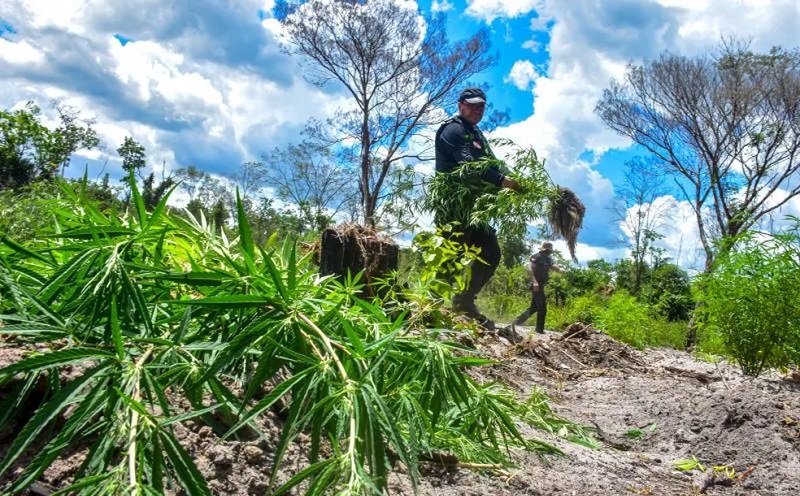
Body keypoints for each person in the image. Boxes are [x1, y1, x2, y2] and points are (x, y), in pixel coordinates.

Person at [434, 87, 520, 329]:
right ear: (461, 105)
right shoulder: (452, 129)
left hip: (475, 209)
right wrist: (502, 182)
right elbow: (468, 164)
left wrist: (515, 181)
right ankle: (429, 306)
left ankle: (463, 302)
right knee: (452, 256)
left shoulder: (476, 134)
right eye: (472, 105)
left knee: (490, 253)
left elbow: (493, 163)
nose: (477, 110)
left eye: (481, 106)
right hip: (454, 207)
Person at [513, 242, 563, 333]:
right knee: (542, 307)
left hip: (541, 285)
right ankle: (539, 330)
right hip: (536, 284)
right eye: (548, 250)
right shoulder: (537, 256)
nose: (549, 252)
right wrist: (535, 282)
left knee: (534, 307)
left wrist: (559, 269)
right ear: (544, 250)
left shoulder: (548, 259)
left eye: (550, 251)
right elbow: (529, 268)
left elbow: (552, 266)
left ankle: (516, 322)